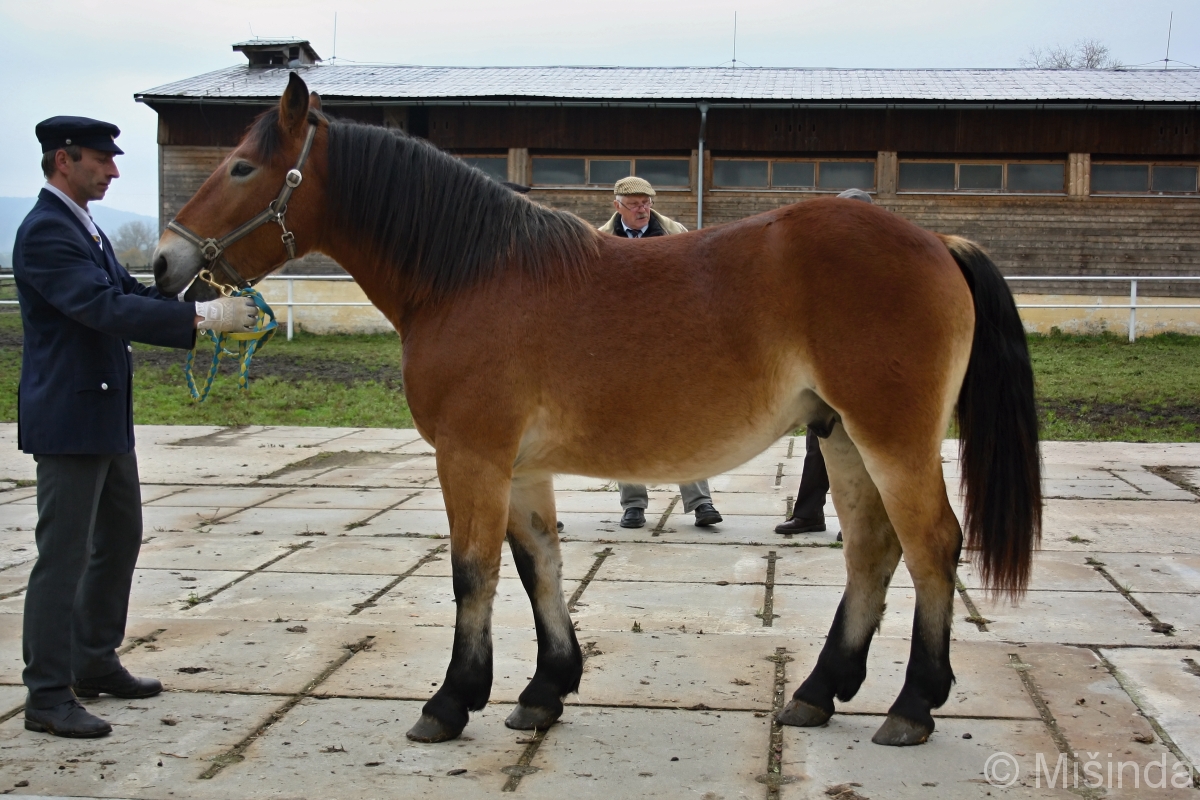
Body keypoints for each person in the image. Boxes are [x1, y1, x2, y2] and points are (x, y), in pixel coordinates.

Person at [13, 116, 258, 738]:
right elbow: (101, 308)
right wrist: (202, 320)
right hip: (70, 419)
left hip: (101, 416)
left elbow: (131, 292)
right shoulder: (46, 231)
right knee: (61, 558)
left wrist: (204, 302)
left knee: (119, 540)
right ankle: (46, 694)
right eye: (103, 160)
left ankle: (94, 661)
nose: (114, 170)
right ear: (64, 160)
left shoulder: (83, 228)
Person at [599, 176, 723, 529]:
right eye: (635, 203)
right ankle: (633, 505)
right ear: (617, 206)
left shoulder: (675, 232)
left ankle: (701, 503)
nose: (643, 209)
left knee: (684, 422)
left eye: (647, 202)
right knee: (625, 425)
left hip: (669, 344)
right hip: (621, 348)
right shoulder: (600, 238)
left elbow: (697, 283)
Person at [774, 188, 873, 539]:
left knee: (865, 449)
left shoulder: (877, 262)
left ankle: (860, 521)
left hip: (863, 369)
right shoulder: (825, 260)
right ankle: (808, 514)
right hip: (824, 368)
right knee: (818, 444)